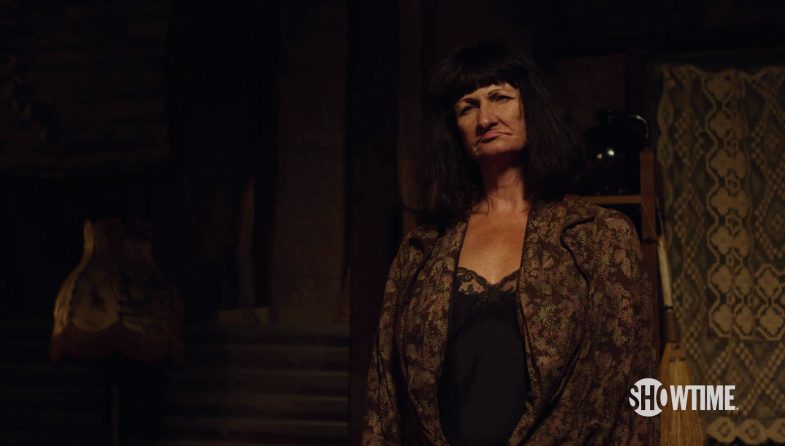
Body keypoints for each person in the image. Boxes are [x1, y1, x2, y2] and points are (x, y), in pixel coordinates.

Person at [361, 39, 658, 445]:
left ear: (529, 107)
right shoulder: (422, 249)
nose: (486, 118)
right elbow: (384, 397)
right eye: (467, 107)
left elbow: (635, 390)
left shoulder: (599, 237)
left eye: (500, 97)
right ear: (455, 130)